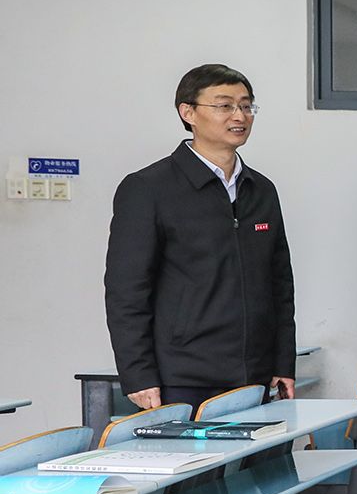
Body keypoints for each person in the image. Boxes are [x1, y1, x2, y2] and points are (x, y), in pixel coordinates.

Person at [104, 63, 296, 413]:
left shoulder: (261, 189)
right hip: (182, 378)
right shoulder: (149, 188)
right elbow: (127, 292)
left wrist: (283, 362)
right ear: (188, 112)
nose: (239, 116)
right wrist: (138, 375)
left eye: (246, 106)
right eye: (224, 105)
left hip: (254, 375)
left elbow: (280, 285)